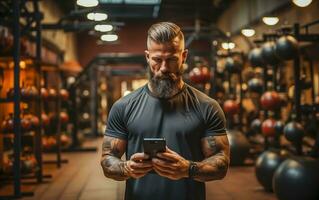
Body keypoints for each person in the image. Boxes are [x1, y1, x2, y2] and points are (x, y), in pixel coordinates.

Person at [100, 22, 230, 200]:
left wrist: (188, 169)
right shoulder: (123, 107)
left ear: (183, 56)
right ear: (147, 57)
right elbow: (108, 158)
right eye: (157, 59)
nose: (163, 68)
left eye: (171, 59)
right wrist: (127, 168)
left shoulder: (207, 107)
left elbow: (221, 163)